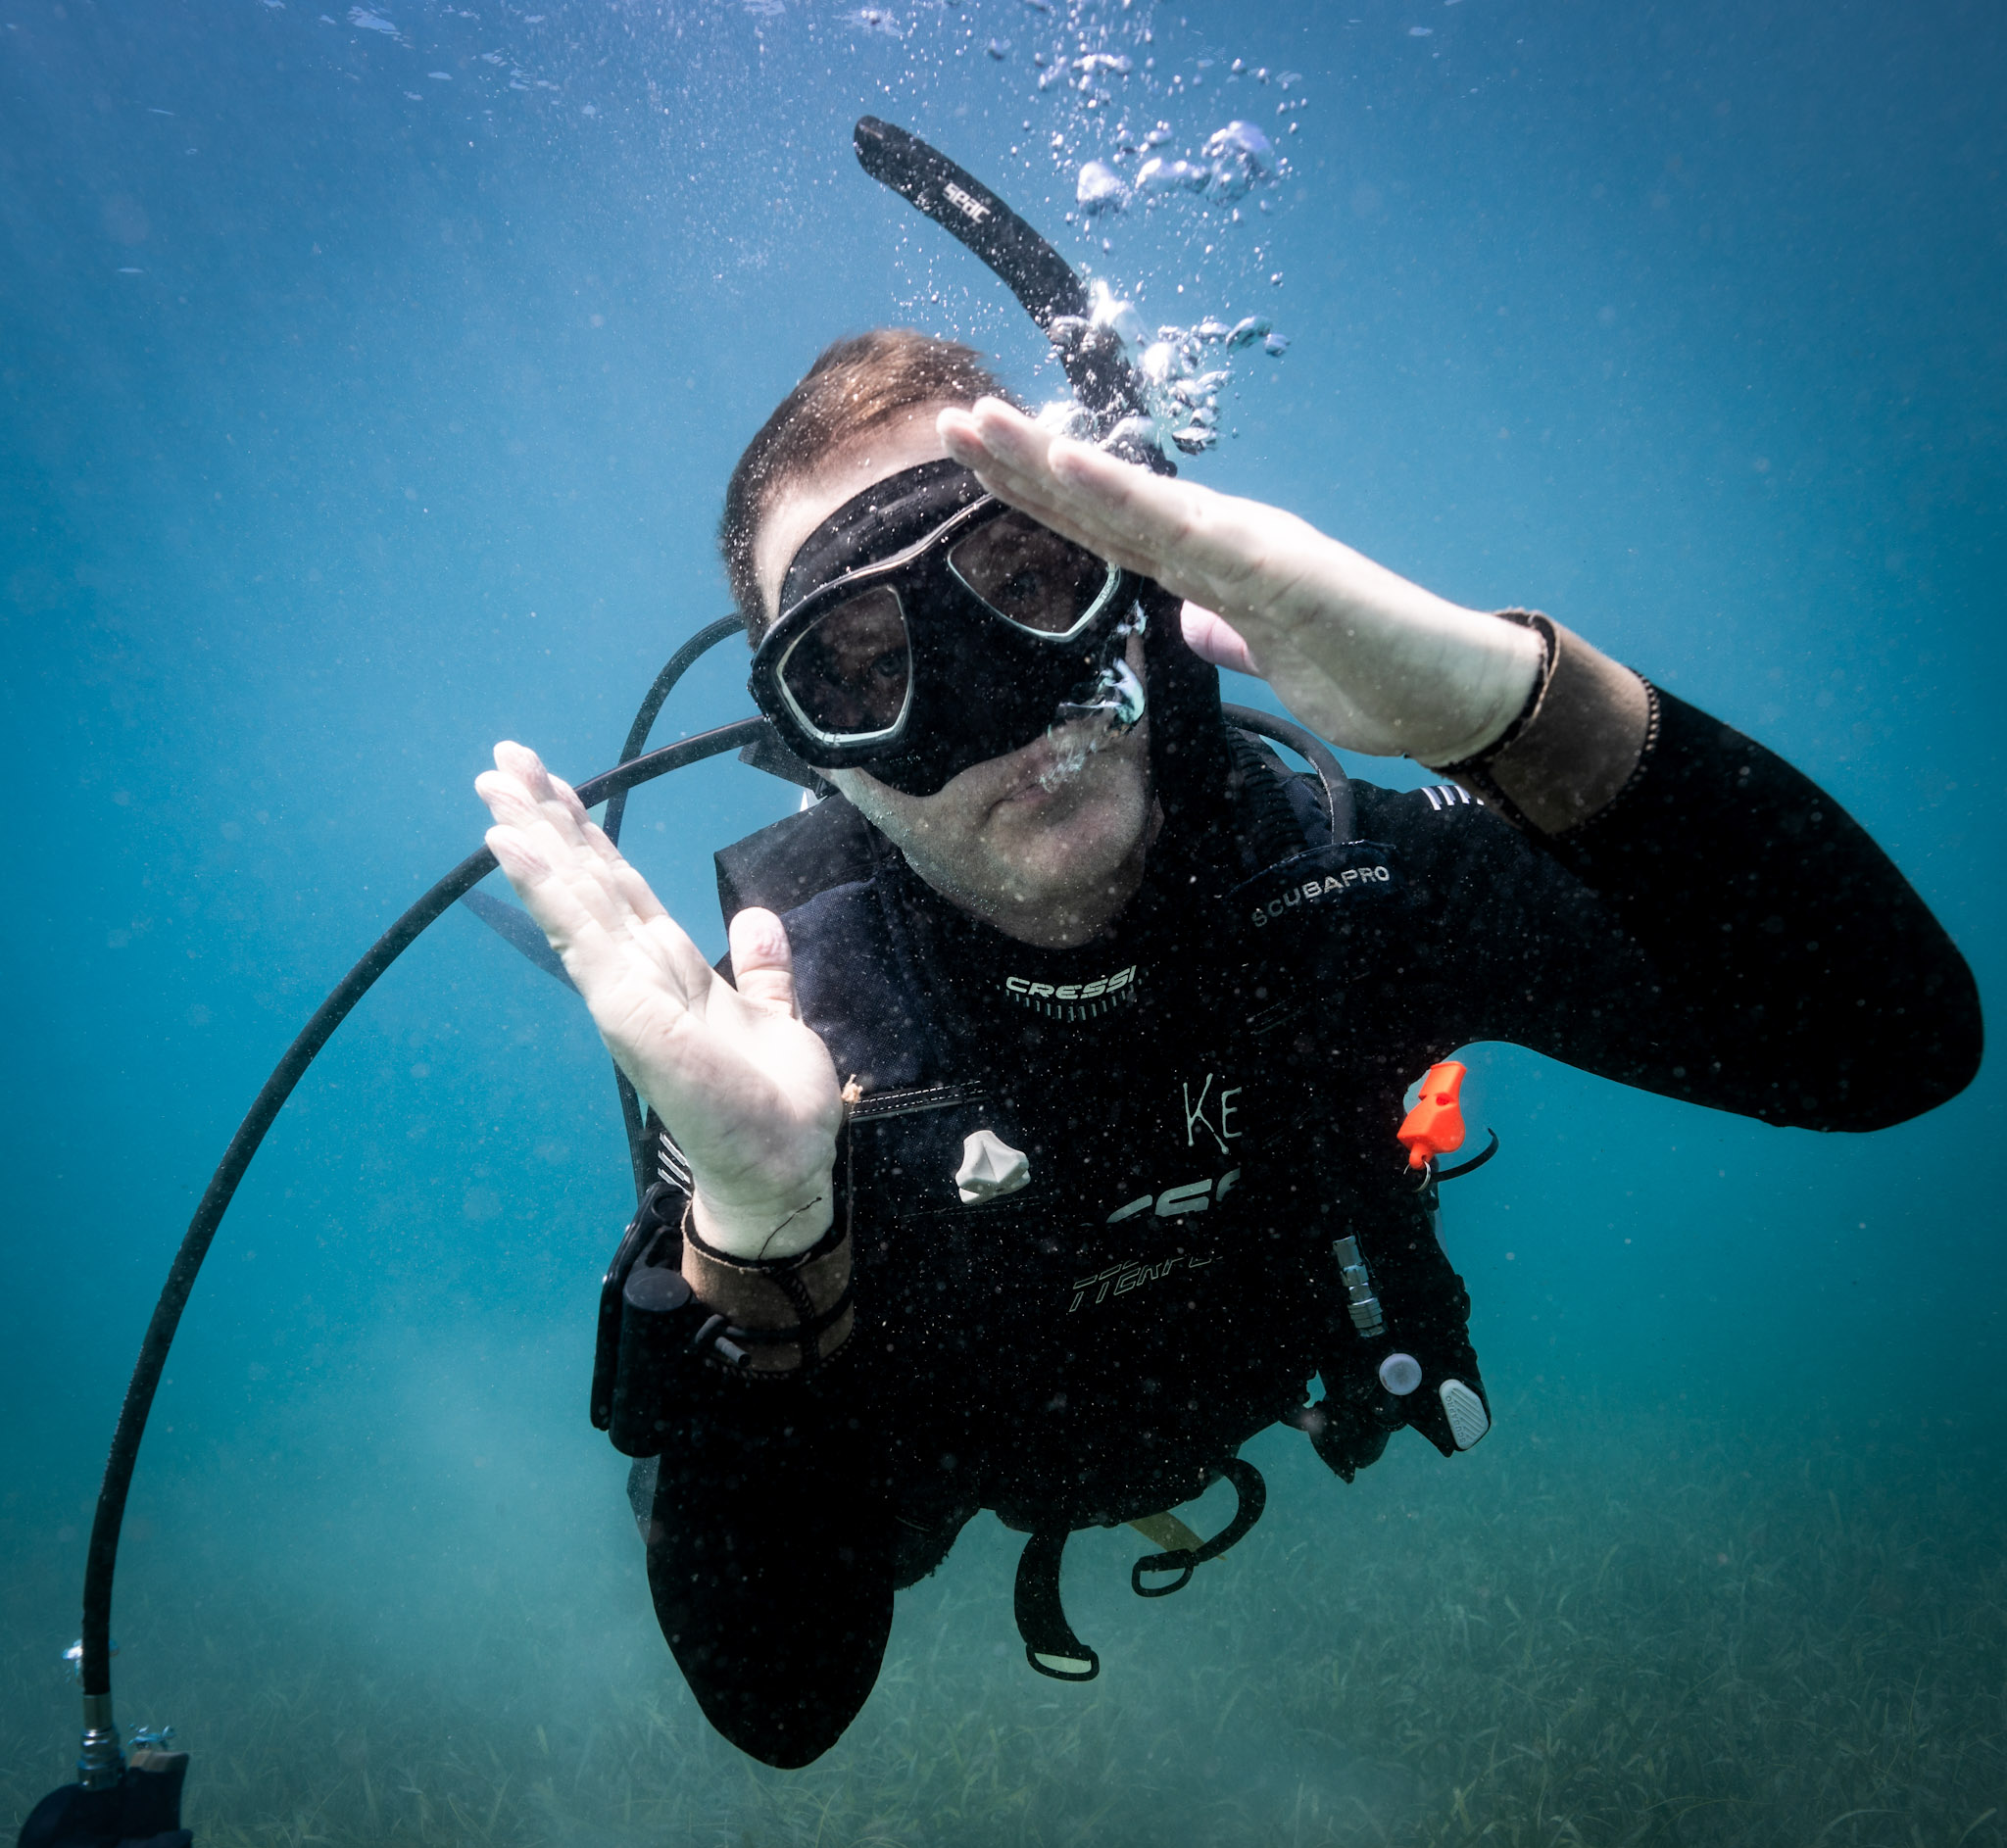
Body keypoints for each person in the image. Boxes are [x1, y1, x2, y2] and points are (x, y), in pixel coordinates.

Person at [475, 330, 1982, 1769]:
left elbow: (1885, 1045)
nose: (997, 705)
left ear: (1132, 585)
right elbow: (782, 1698)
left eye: (1025, 575)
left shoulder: (1334, 885)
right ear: (818, 762)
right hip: (942, 1456)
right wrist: (758, 1229)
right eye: (863, 670)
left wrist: (1505, 709)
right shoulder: (784, 1052)